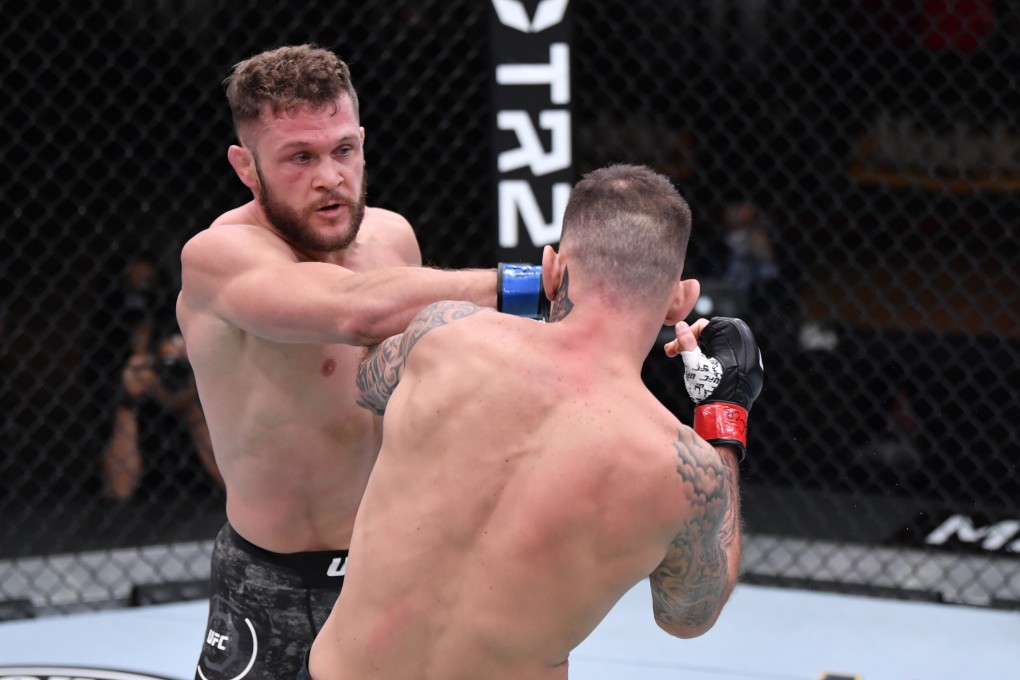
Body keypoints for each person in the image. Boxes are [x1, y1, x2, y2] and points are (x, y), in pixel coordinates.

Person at [306, 164, 765, 680]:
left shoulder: (440, 337)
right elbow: (690, 618)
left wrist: (510, 305)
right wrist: (724, 416)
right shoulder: (685, 470)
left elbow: (366, 385)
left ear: (551, 269)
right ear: (680, 301)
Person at [177, 44, 545, 680]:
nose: (330, 176)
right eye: (300, 157)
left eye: (343, 150)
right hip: (275, 584)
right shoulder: (219, 257)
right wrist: (535, 284)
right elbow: (354, 312)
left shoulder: (394, 239)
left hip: (397, 567)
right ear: (246, 166)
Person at [100, 322, 222, 503]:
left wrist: (191, 410)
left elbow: (233, 486)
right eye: (168, 365)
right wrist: (129, 403)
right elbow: (119, 490)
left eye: (184, 367)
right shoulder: (137, 404)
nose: (175, 375)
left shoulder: (217, 402)